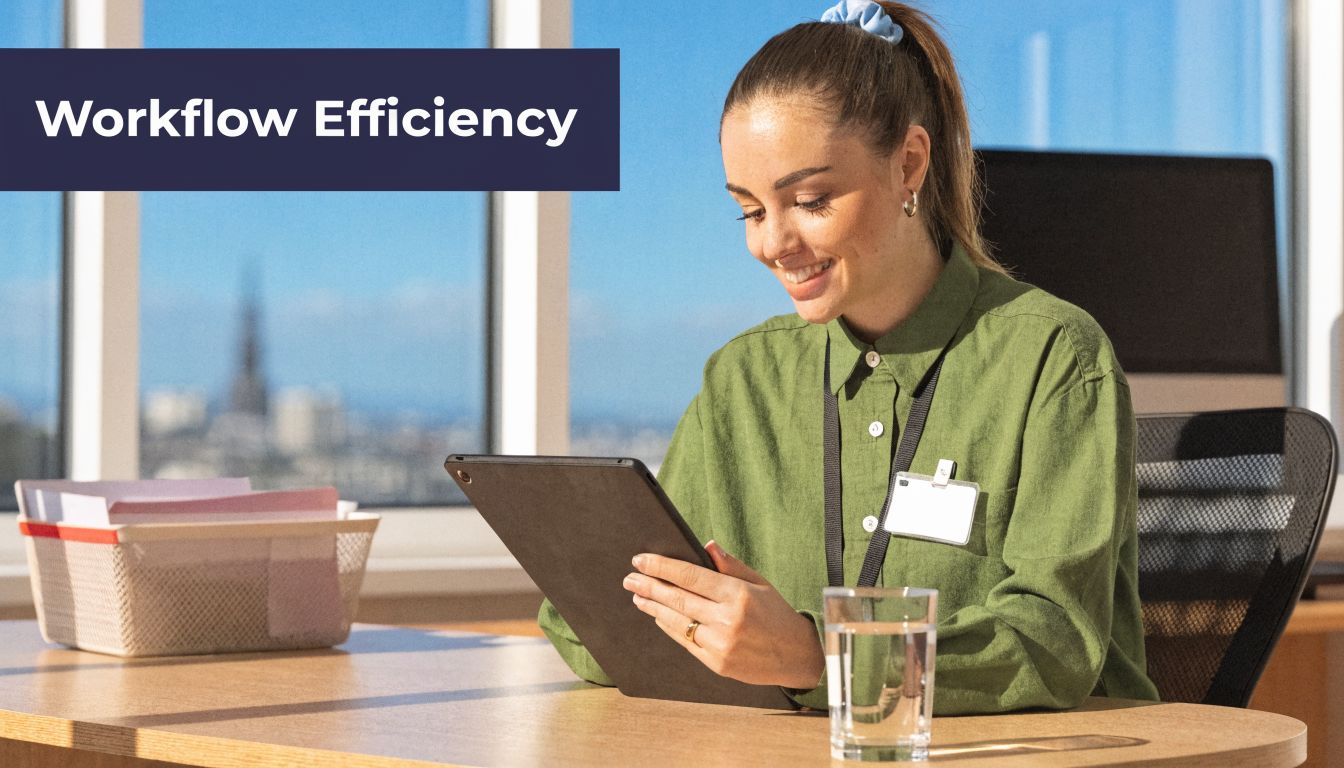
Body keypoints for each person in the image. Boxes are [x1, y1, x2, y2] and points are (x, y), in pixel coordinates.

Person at [539, 0, 1159, 714]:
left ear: (909, 165)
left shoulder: (1053, 356)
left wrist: (817, 655)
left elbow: (1053, 641)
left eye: (808, 198)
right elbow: (591, 629)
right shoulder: (742, 381)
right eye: (749, 209)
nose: (771, 243)